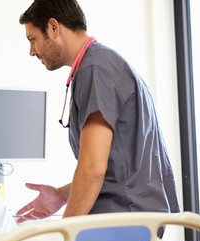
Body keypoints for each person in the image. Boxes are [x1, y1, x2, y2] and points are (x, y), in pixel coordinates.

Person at [16, 0, 180, 223]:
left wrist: (65, 233)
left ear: (53, 28)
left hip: (124, 222)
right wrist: (61, 195)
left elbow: (94, 169)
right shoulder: (99, 64)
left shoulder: (96, 70)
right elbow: (117, 169)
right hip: (131, 218)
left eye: (32, 39)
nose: (31, 51)